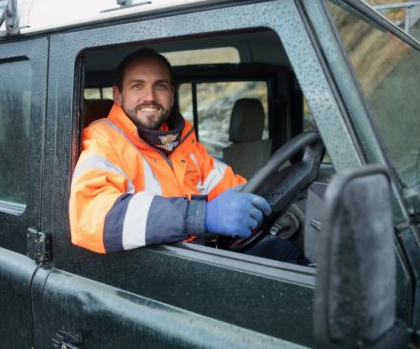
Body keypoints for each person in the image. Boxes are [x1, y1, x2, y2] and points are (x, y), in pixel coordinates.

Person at [69, 47, 301, 262]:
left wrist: (263, 203)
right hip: (150, 273)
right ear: (118, 95)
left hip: (197, 257)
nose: (149, 96)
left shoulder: (183, 143)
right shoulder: (104, 140)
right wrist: (200, 215)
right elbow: (93, 219)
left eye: (160, 86)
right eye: (137, 85)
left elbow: (230, 188)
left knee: (289, 255)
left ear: (171, 93)